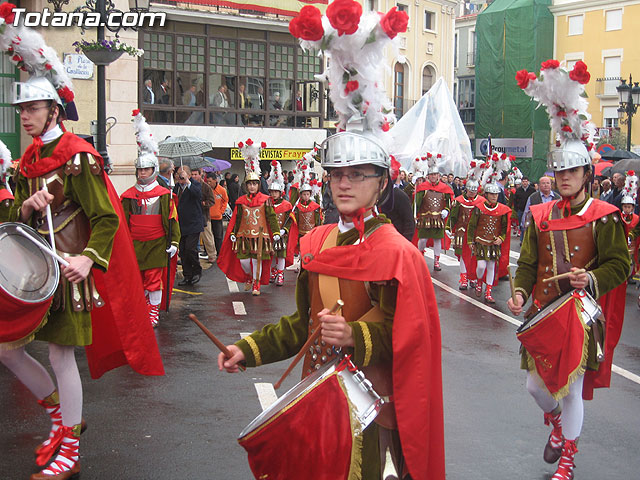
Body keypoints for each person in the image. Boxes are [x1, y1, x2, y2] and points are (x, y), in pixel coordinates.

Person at [218, 130, 445, 480]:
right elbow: (303, 324)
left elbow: (410, 340)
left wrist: (354, 334)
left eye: (357, 174)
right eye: (337, 173)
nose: (345, 183)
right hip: (320, 399)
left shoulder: (398, 254)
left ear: (381, 182)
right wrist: (247, 349)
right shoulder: (317, 240)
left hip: (370, 407)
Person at [1, 28, 163, 480]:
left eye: (33, 108)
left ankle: (69, 446)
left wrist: (88, 259)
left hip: (70, 275)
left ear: (54, 109)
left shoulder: (79, 157)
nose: (25, 116)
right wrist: (25, 205)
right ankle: (58, 417)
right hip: (35, 272)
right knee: (7, 349)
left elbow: (108, 218)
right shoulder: (27, 162)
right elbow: (12, 217)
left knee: (59, 355)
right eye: (21, 110)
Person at [509, 59, 630, 480]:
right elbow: (527, 263)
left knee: (572, 387)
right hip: (543, 310)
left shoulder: (605, 216)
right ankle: (557, 424)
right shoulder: (540, 214)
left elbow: (622, 264)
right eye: (559, 170)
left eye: (572, 171)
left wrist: (593, 278)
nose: (563, 177)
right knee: (534, 387)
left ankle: (568, 458)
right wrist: (521, 292)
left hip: (579, 314)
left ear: (586, 176)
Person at [120, 110, 180, 327]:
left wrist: (174, 242)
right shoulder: (127, 196)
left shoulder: (165, 196)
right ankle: (142, 306)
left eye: (146, 169)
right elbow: (123, 222)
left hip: (157, 243)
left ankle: (152, 311)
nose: (142, 173)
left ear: (153, 170)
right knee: (136, 279)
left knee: (153, 279)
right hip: (135, 244)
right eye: (139, 170)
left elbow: (172, 221)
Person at [217, 140, 281, 295]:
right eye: (249, 184)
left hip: (261, 236)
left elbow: (271, 217)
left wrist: (276, 232)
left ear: (258, 185)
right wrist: (232, 233)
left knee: (257, 260)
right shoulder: (241, 202)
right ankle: (249, 276)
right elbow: (237, 219)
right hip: (244, 236)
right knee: (244, 261)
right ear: (246, 186)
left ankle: (256, 284)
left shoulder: (266, 201)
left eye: (254, 184)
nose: (252, 186)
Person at [467, 174, 511, 303]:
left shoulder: (502, 210)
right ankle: (479, 281)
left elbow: (504, 228)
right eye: (492, 194)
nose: (494, 197)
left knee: (491, 266)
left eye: (496, 194)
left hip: (493, 243)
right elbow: (472, 225)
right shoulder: (479, 209)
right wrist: (470, 241)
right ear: (486, 195)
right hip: (481, 242)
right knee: (481, 266)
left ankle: (488, 292)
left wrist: (501, 239)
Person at [412, 153, 453, 271]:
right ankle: (420, 256)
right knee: (423, 239)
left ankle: (436, 261)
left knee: (437, 240)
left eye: (435, 174)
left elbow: (449, 202)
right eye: (432, 174)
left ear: (438, 176)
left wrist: (446, 210)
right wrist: (415, 216)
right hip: (425, 217)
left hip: (438, 218)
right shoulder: (422, 187)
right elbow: (417, 203)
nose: (434, 176)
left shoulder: (444, 188)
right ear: (428, 176)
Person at [449, 164, 484, 289]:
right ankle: (464, 278)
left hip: (476, 233)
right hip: (461, 232)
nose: (472, 193)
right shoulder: (458, 201)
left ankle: (473, 277)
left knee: (474, 255)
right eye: (470, 190)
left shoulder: (481, 201)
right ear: (466, 189)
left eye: (474, 191)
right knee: (463, 256)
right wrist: (450, 229)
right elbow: (453, 217)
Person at [266, 160, 297, 285]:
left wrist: (285, 230)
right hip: (269, 232)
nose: (273, 194)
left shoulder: (287, 205)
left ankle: (280, 273)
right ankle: (273, 271)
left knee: (281, 254)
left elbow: (290, 220)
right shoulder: (267, 203)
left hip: (282, 234)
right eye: (272, 192)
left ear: (280, 193)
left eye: (276, 192)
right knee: (270, 254)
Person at [173, 165, 203, 285]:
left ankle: (196, 271)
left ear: (189, 175)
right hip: (181, 224)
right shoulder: (176, 187)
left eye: (183, 174)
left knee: (191, 249)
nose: (180, 176)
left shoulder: (195, 185)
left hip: (193, 223)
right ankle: (187, 275)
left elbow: (197, 195)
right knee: (183, 251)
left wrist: (187, 182)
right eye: (179, 174)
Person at [191, 168, 216, 263]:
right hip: (192, 215)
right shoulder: (189, 185)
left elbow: (212, 201)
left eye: (195, 174)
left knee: (208, 237)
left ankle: (212, 255)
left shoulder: (206, 187)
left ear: (200, 174)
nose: (194, 176)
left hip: (204, 216)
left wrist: (204, 204)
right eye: (192, 174)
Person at [205, 172, 228, 260]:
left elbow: (225, 201)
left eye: (210, 181)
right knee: (208, 237)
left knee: (218, 236)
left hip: (217, 217)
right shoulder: (206, 189)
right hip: (207, 217)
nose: (209, 183)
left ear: (215, 180)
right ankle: (208, 252)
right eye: (208, 181)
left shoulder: (221, 190)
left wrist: (221, 211)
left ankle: (220, 253)